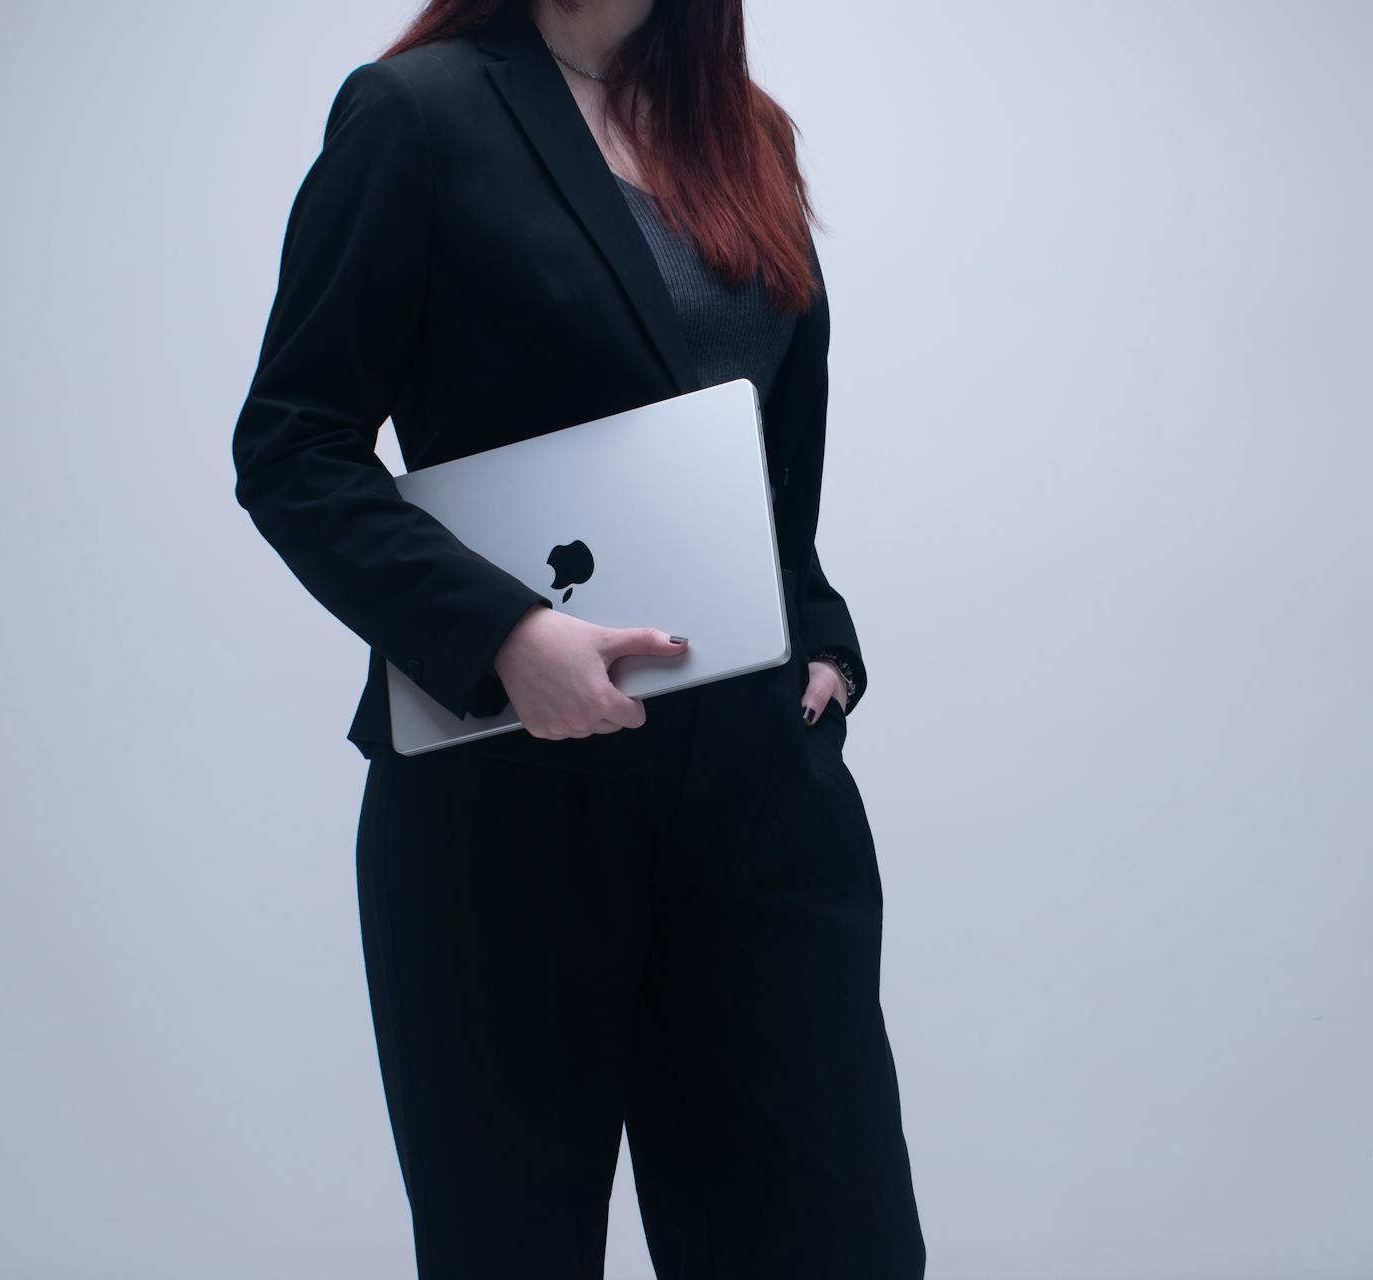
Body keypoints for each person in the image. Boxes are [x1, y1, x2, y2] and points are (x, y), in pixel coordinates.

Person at [231, 0, 927, 1274]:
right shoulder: (419, 115)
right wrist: (503, 634)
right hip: (507, 799)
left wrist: (824, 640)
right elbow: (293, 445)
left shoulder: (749, 137)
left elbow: (772, 471)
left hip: (759, 794)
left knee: (840, 1244)